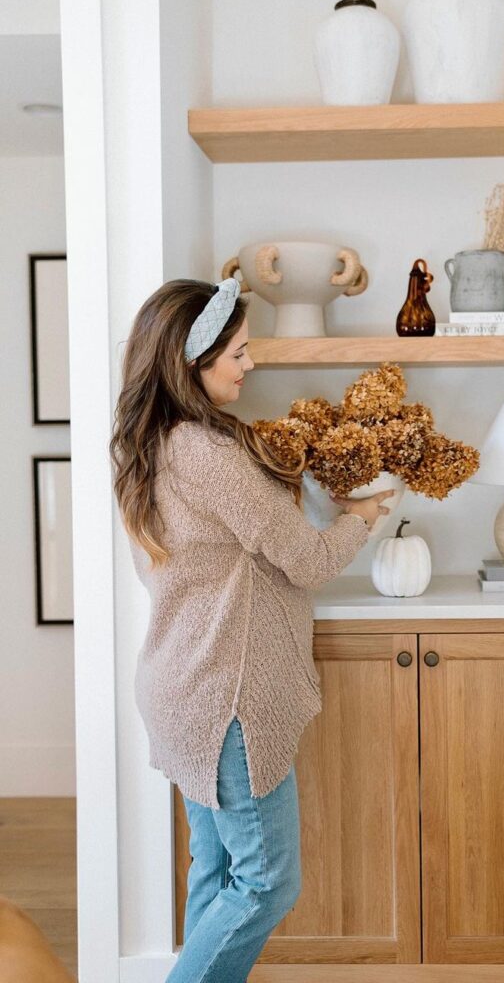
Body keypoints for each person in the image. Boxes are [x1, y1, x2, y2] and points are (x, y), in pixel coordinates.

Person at [109, 277, 393, 982]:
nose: (249, 364)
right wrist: (361, 517)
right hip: (226, 699)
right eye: (238, 352)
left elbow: (249, 548)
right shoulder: (204, 452)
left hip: (184, 685)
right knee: (266, 882)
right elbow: (305, 560)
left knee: (216, 866)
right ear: (192, 361)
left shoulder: (156, 447)